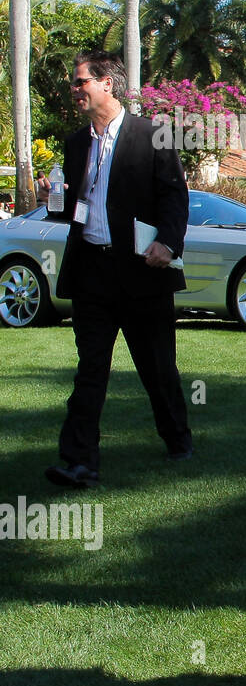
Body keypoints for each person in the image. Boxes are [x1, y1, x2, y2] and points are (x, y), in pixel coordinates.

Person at [44, 51, 192, 487]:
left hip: (142, 272)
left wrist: (168, 242)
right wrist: (55, 200)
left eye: (80, 82)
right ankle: (79, 461)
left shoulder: (154, 134)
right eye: (74, 84)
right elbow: (78, 208)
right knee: (90, 368)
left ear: (106, 83)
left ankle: (178, 439)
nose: (75, 90)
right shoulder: (75, 144)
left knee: (157, 366)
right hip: (92, 272)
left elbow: (174, 197)